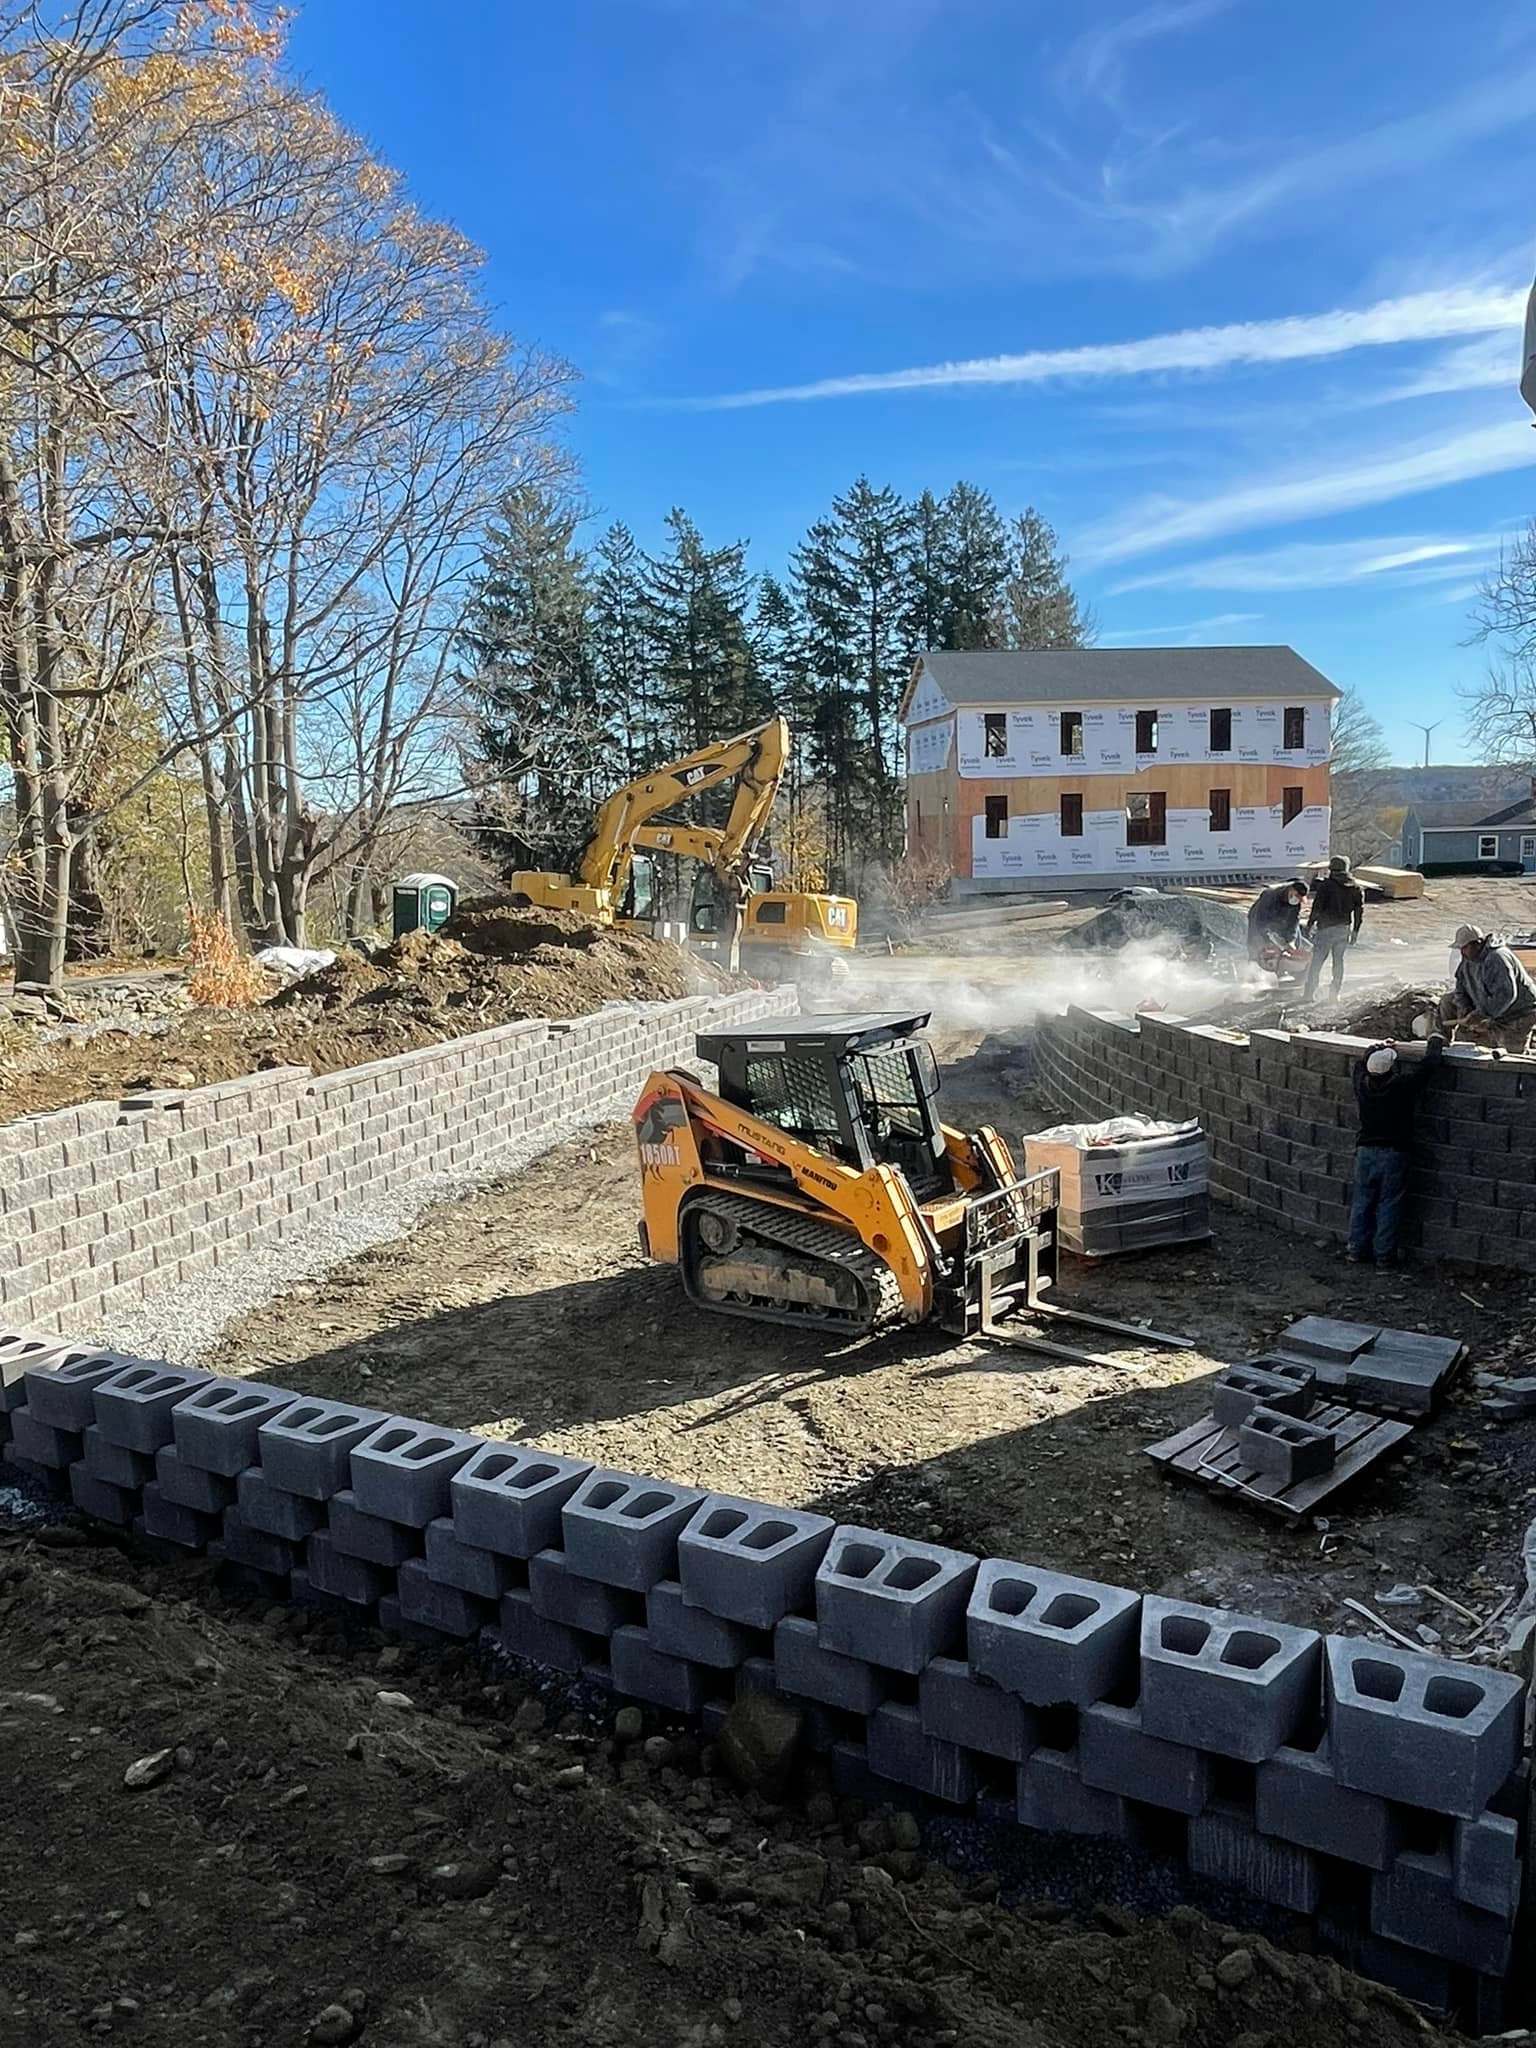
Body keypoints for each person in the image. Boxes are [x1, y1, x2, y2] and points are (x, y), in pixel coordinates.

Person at [1348, 1036, 1445, 1265]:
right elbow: (1428, 1066)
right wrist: (1435, 1041)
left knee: (1362, 1202)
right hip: (1394, 1153)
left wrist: (1378, 1047)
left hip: (1365, 1152)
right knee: (1389, 1204)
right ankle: (1384, 1255)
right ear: (1391, 1070)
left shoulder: (1362, 1086)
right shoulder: (1402, 1087)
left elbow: (1360, 1065)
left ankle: (1356, 1250)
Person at [1439, 925, 1536, 1028]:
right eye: (1461, 948)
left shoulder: (1497, 957)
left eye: (1465, 947)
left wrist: (1481, 1015)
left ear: (1478, 944)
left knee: (1494, 1037)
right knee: (1447, 1001)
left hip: (1518, 1012)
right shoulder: (1468, 959)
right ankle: (1439, 1034)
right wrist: (1465, 1008)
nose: (1462, 952)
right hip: (1488, 1006)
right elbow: (1460, 988)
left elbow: (1505, 996)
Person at [1302, 854, 1365, 1001]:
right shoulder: (1355, 887)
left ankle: (1309, 994)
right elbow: (1359, 912)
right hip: (1343, 929)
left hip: (1325, 929)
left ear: (1331, 869)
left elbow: (1317, 908)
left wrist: (1309, 925)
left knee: (1316, 963)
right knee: (1338, 962)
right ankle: (1334, 995)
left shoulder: (1326, 886)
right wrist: (1355, 931)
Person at [1246, 877, 1308, 967]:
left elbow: (1293, 923)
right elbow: (1261, 920)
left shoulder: (1296, 904)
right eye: (1296, 896)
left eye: (1299, 898)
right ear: (1290, 890)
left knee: (1294, 939)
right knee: (1257, 941)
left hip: (1279, 920)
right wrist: (1267, 939)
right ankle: (1254, 963)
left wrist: (1290, 941)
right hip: (1258, 917)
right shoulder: (1271, 896)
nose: (1296, 900)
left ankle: (1282, 966)